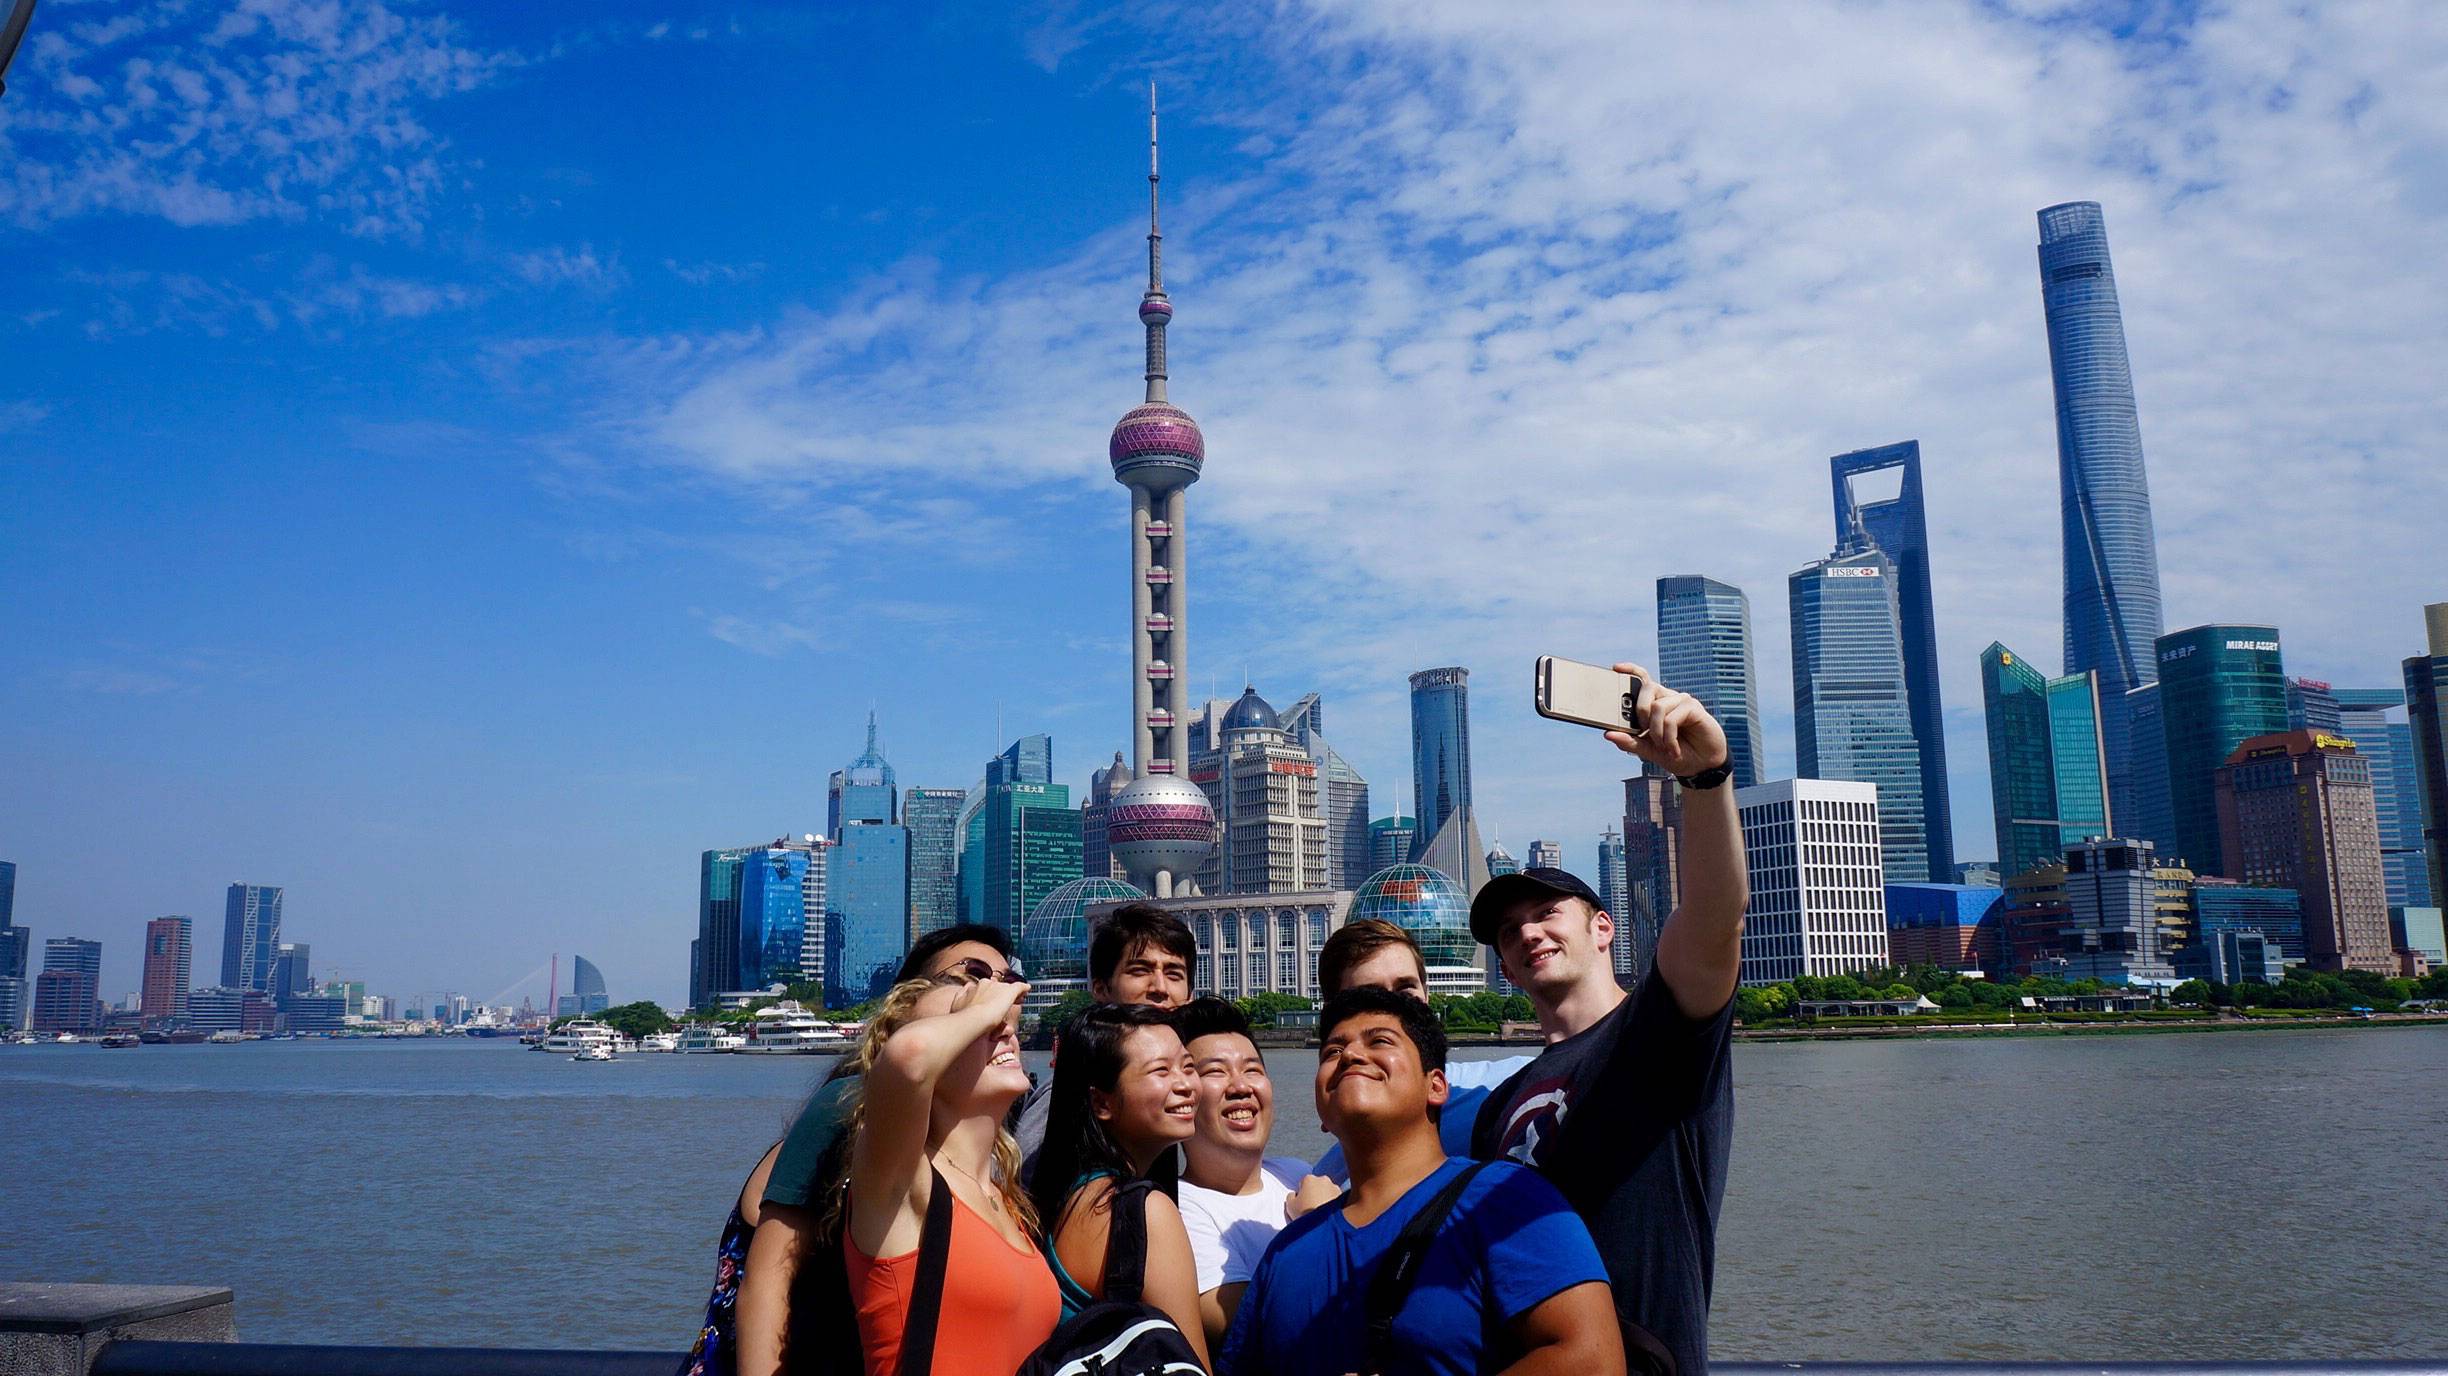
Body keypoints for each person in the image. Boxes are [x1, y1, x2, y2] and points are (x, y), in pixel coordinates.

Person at [1468, 661, 1747, 1376]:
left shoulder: (1659, 1033)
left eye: (1546, 914)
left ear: (1603, 929)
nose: (1527, 933)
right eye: (1508, 932)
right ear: (1503, 967)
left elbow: (1715, 920)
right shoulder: (1500, 1105)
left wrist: (1705, 779)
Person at [1219, 988, 1623, 1376]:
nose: (1352, 1055)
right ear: (1322, 1112)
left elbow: (1593, 1360)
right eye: (1333, 1051)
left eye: (1380, 1041)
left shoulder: (1506, 1199)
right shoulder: (1285, 1252)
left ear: (1437, 1087)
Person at [716, 923, 1021, 1376]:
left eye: (1007, 983)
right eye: (969, 977)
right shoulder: (846, 1105)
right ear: (906, 1007)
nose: (991, 995)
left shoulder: (984, 1142)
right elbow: (769, 1276)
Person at [831, 960, 1058, 1376]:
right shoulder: (903, 1180)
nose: (1001, 1029)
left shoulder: (1005, 1197)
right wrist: (987, 1008)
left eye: (1001, 1022)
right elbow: (908, 1058)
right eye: (964, 1022)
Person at [1024, 1002, 1211, 1370]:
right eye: (1161, 1071)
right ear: (1101, 1102)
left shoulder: (1068, 1194)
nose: (1186, 1084)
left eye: (1188, 1066)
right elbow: (1188, 1364)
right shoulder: (1143, 1210)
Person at [1300, 920, 1533, 1189]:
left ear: (1426, 995)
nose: (1394, 1006)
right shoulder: (1328, 1182)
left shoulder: (1515, 1086)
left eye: (1405, 990)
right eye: (1371, 996)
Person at [1011, 902, 1198, 1172]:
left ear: (1189, 995)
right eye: (1139, 971)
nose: (1159, 988)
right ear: (1100, 988)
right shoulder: (1069, 1091)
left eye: (1174, 974)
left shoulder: (1178, 1091)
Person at [1168, 997, 1308, 1348]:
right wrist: (1319, 1225)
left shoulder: (1298, 1174)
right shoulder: (1177, 1208)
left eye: (1253, 1070)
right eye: (1215, 1071)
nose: (1241, 1086)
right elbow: (1243, 1321)